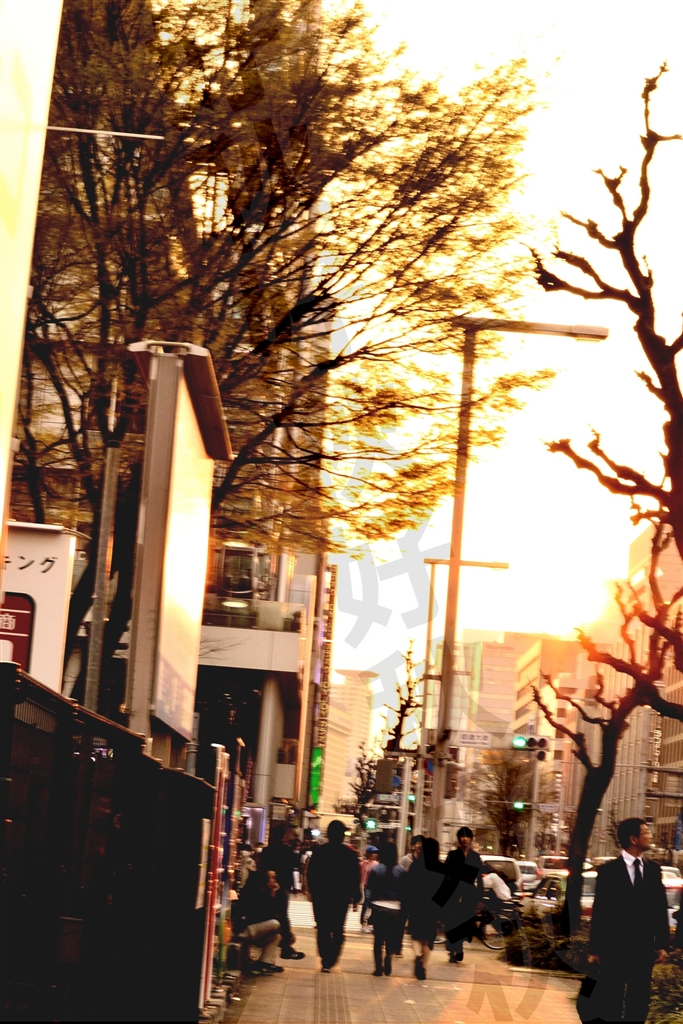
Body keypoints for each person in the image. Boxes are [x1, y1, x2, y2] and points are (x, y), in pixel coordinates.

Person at [582, 817, 669, 1023]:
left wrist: (662, 944)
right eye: (646, 832)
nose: (650, 836)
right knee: (612, 998)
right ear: (634, 839)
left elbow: (659, 909)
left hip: (643, 949)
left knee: (639, 1000)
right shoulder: (609, 871)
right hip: (614, 949)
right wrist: (594, 950)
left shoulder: (653, 870)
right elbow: (600, 912)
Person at [307, 820, 362, 972]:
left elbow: (311, 874)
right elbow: (354, 877)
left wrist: (312, 891)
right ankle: (331, 958)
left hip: (322, 897)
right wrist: (356, 896)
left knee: (322, 927)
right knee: (338, 928)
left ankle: (325, 958)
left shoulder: (320, 852)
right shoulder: (350, 854)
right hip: (341, 897)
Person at [435, 826, 485, 964]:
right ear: (458, 839)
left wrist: (480, 897)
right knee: (452, 922)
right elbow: (445, 875)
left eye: (467, 836)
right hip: (453, 893)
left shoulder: (475, 857)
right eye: (462, 836)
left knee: (466, 922)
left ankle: (459, 946)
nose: (465, 839)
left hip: (469, 894)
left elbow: (480, 878)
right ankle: (453, 950)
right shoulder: (453, 855)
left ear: (471, 839)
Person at [259, 824, 305, 960]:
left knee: (270, 914)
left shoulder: (266, 851)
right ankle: (285, 947)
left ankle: (272, 948)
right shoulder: (288, 851)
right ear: (283, 836)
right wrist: (294, 886)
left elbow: (262, 867)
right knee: (283, 916)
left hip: (268, 886)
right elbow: (295, 866)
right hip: (283, 886)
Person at [403, 836, 443, 980]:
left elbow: (408, 888)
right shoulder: (441, 868)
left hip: (416, 906)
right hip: (433, 908)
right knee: (428, 939)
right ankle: (424, 968)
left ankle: (417, 955)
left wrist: (407, 906)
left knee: (415, 935)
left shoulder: (416, 866)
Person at [232, 869, 287, 974]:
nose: (274, 881)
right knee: (275, 924)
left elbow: (277, 913)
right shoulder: (254, 893)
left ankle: (264, 963)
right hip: (245, 930)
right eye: (271, 878)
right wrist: (272, 895)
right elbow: (267, 915)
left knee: (276, 936)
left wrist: (273, 894)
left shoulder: (266, 893)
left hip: (255, 930)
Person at [367, 841, 406, 976]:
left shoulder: (376, 869)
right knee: (391, 936)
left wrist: (368, 906)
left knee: (378, 939)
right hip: (395, 909)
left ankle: (378, 966)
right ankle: (389, 956)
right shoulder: (401, 870)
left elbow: (369, 889)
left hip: (378, 907)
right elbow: (405, 892)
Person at [359, 845, 379, 932]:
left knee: (372, 906)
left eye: (376, 853)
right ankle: (363, 923)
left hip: (373, 887)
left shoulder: (376, 864)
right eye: (373, 853)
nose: (375, 855)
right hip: (364, 886)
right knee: (365, 905)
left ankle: (370, 923)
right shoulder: (362, 864)